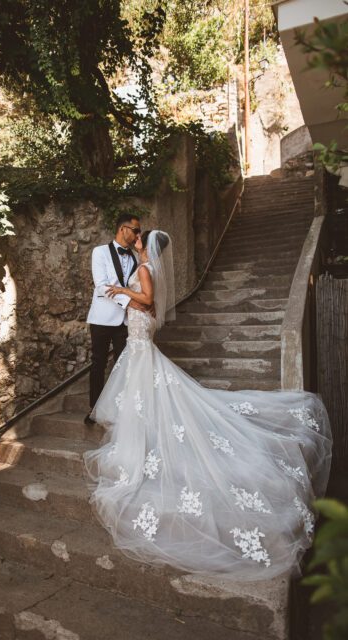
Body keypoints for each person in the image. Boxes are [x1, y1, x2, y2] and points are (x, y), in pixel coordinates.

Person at [83, 229, 332, 581]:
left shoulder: (142, 271)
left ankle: (142, 438)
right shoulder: (146, 265)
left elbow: (148, 301)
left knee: (146, 393)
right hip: (139, 343)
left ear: (146, 243)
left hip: (140, 344)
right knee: (145, 394)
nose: (136, 238)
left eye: (141, 237)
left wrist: (124, 292)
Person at [85, 213, 153, 426]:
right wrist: (130, 303)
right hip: (102, 318)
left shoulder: (134, 257)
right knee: (98, 363)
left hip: (126, 322)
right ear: (123, 229)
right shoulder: (100, 252)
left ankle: (119, 409)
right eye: (136, 230)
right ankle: (94, 409)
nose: (137, 235)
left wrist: (141, 250)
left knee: (123, 365)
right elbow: (102, 285)